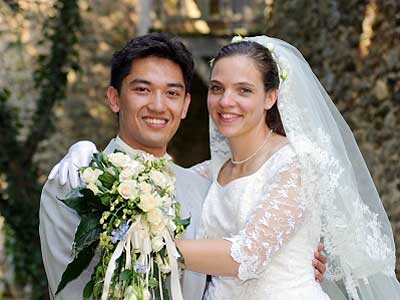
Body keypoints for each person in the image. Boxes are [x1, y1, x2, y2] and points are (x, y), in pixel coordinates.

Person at [39, 33, 326, 300]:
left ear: (186, 105)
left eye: (172, 93)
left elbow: (238, 257)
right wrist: (84, 150)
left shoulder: (200, 186)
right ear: (115, 98)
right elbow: (73, 286)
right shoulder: (75, 179)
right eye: (142, 89)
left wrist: (294, 258)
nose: (158, 105)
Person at [173, 36, 400, 299]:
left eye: (244, 90)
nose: (226, 101)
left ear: (270, 97)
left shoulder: (296, 163)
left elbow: (248, 254)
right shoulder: (210, 172)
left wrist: (157, 249)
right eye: (216, 88)